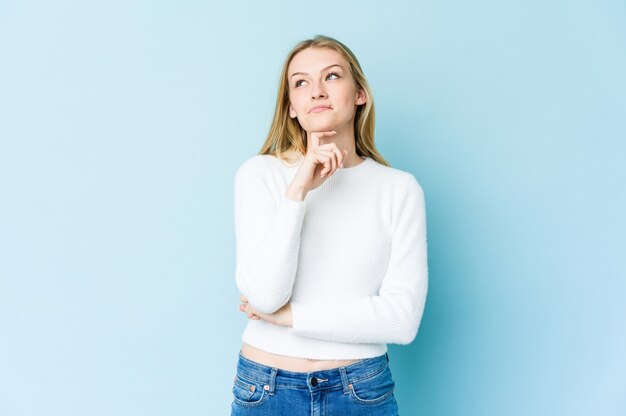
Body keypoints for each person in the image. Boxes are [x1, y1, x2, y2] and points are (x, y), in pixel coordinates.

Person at [231, 34, 428, 415]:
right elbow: (266, 295)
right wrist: (298, 191)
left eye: (332, 77)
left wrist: (289, 318)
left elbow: (401, 320)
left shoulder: (399, 189)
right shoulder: (260, 175)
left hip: (361, 391)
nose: (317, 91)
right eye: (301, 82)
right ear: (291, 107)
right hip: (265, 388)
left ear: (360, 94)